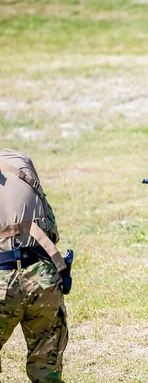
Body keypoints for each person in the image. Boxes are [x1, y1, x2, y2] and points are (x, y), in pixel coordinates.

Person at [0, 149, 69, 382]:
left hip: (2, 282)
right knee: (46, 371)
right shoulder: (20, 163)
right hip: (43, 279)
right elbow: (52, 230)